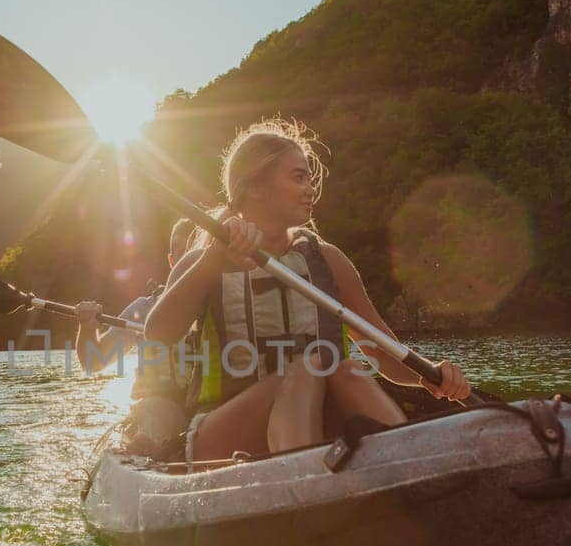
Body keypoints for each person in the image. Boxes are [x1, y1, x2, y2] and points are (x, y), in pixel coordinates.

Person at [145, 119, 470, 467]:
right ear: (255, 188)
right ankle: (301, 483)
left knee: (346, 371)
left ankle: (411, 471)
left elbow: (384, 353)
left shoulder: (328, 261)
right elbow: (158, 334)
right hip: (223, 433)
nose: (309, 189)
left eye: (310, 179)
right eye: (298, 177)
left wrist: (430, 375)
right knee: (309, 367)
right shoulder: (204, 259)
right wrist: (213, 260)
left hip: (315, 422)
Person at [73, 218, 197, 447]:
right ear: (172, 261)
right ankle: (146, 447)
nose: (190, 261)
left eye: (196, 253)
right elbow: (93, 362)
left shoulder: (227, 303)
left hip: (206, 410)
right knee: (158, 419)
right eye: (182, 254)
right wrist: (87, 327)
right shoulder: (143, 309)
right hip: (156, 408)